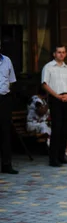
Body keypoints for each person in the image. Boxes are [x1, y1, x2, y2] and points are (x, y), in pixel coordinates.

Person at [42, 45, 67, 167]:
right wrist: (56, 96)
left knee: (65, 129)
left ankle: (62, 156)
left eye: (63, 52)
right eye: (59, 52)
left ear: (65, 54)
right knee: (56, 129)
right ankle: (53, 158)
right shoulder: (48, 67)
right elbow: (45, 84)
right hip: (56, 99)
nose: (61, 54)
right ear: (54, 54)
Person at [0, 41, 18, 174]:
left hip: (4, 99)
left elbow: (11, 81)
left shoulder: (7, 60)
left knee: (5, 132)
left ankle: (6, 165)